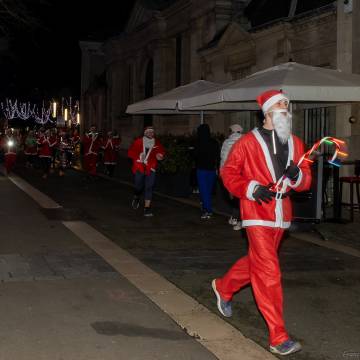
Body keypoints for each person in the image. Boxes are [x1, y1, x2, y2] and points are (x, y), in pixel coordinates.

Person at [212, 89, 312, 356]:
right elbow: (228, 173)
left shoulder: (296, 143)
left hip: (282, 213)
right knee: (269, 271)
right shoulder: (246, 142)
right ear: (267, 111)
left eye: (287, 105)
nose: (285, 108)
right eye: (281, 104)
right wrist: (251, 188)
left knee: (257, 262)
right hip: (256, 211)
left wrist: (297, 175)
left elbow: (306, 181)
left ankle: (223, 287)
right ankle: (278, 336)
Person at [128, 126, 165, 217]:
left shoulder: (157, 143)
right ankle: (136, 196)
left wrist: (160, 156)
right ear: (145, 133)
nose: (150, 133)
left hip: (151, 168)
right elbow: (130, 153)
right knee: (138, 186)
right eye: (148, 132)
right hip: (139, 167)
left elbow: (161, 153)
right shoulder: (138, 142)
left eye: (152, 132)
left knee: (149, 187)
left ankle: (147, 208)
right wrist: (139, 156)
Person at [193, 123, 220, 219]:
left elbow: (195, 155)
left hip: (201, 170)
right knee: (208, 190)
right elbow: (218, 156)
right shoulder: (214, 142)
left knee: (204, 191)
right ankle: (205, 207)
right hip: (212, 169)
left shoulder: (198, 142)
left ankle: (208, 210)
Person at [220, 124, 243, 230]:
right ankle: (238, 219)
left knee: (233, 196)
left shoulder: (226, 142)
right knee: (241, 197)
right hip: (243, 173)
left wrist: (222, 173)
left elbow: (223, 159)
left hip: (230, 173)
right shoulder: (246, 140)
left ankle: (237, 219)